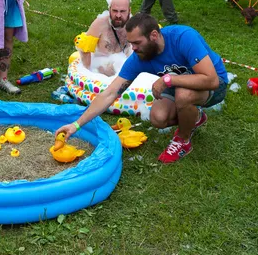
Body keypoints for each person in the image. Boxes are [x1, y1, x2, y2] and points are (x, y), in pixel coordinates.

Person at [56, 13, 228, 164]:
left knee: (184, 95)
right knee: (158, 119)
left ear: (154, 35)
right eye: (131, 43)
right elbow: (109, 93)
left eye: (137, 43)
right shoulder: (140, 57)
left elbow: (211, 80)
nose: (133, 48)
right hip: (176, 83)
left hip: (214, 83)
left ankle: (183, 139)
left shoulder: (183, 37)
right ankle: (194, 117)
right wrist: (75, 125)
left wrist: (168, 79)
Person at [77, 0, 133, 76]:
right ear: (109, 9)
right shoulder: (100, 24)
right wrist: (88, 73)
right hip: (101, 70)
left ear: (129, 11)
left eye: (122, 11)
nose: (118, 15)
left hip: (123, 67)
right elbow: (85, 50)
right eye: (114, 11)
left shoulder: (133, 24)